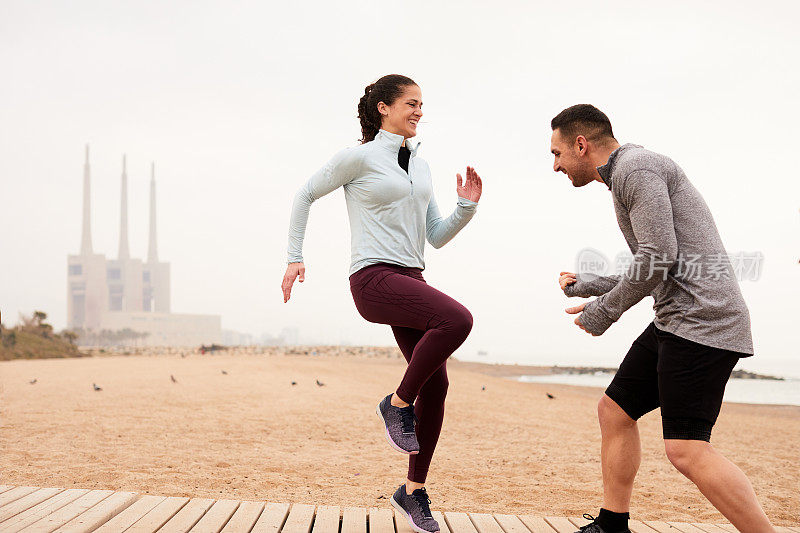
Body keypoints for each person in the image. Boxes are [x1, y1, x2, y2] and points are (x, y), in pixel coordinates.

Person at [550, 104, 774, 533]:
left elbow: (657, 258)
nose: (555, 165)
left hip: (704, 324)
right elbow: (657, 262)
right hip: (677, 319)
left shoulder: (635, 170)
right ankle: (612, 524)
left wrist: (603, 312)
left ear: (582, 145)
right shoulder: (628, 173)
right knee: (614, 411)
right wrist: (593, 285)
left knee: (686, 449)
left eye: (557, 153)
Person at [282, 74, 482, 533]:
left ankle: (412, 491)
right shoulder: (359, 158)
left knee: (439, 387)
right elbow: (305, 194)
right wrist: (295, 257)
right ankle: (396, 403)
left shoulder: (421, 166)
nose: (419, 111)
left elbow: (434, 236)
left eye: (421, 104)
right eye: (411, 103)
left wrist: (465, 208)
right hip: (373, 279)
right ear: (383, 109)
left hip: (411, 278)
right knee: (458, 319)